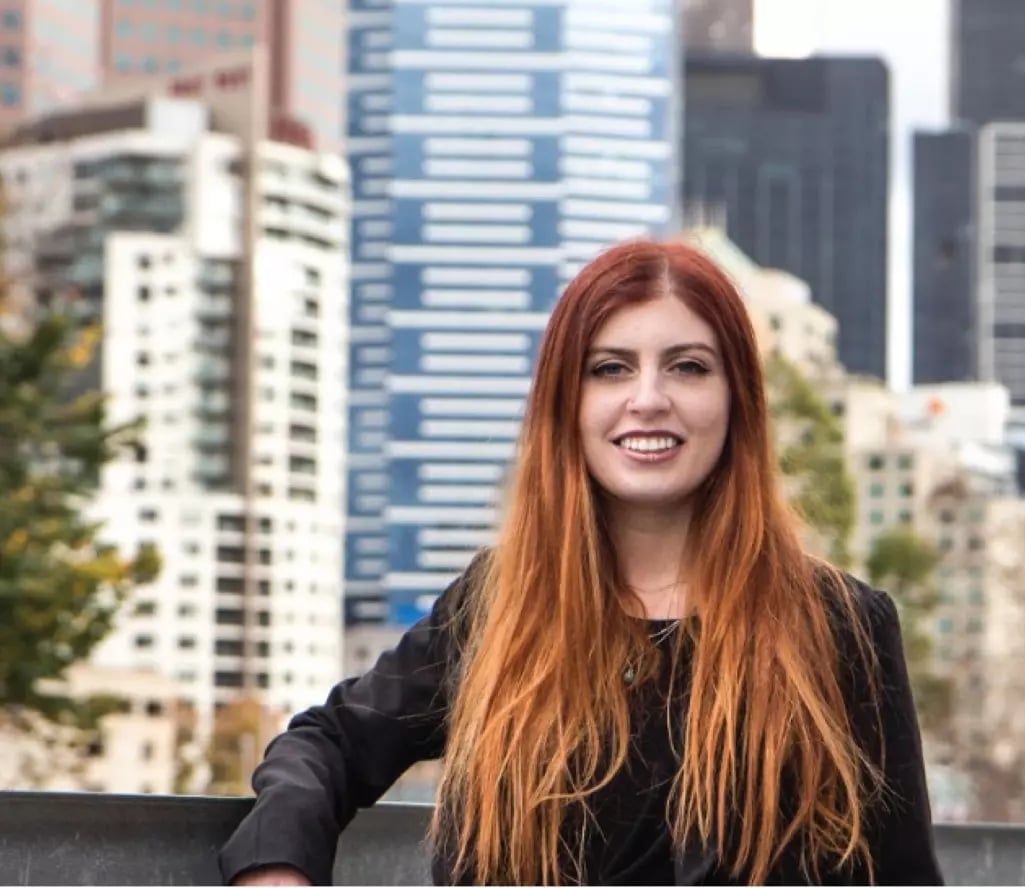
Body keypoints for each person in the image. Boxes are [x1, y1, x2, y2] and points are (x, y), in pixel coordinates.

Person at [220, 239, 944, 886]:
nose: (648, 399)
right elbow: (328, 743)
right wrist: (277, 868)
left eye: (688, 367)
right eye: (610, 369)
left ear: (737, 402)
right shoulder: (498, 607)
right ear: (567, 402)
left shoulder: (839, 626)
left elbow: (904, 876)